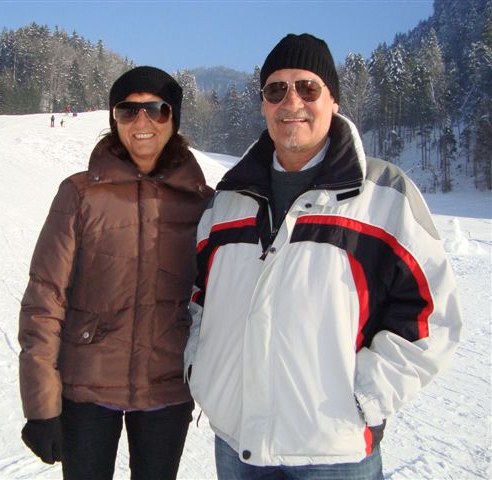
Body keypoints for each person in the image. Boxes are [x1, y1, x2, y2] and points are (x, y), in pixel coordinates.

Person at [184, 33, 463, 480]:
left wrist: (366, 397)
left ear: (333, 100)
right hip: (237, 445)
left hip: (334, 451)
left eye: (307, 87)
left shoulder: (384, 195)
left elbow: (432, 313)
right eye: (276, 89)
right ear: (263, 105)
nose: (291, 101)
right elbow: (201, 295)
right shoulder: (228, 200)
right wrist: (201, 367)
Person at [19, 66, 213, 480]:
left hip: (167, 389)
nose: (142, 122)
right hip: (87, 389)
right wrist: (40, 407)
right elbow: (44, 299)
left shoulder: (203, 203)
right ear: (114, 119)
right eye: (128, 110)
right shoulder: (79, 194)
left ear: (174, 119)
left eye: (156, 109)